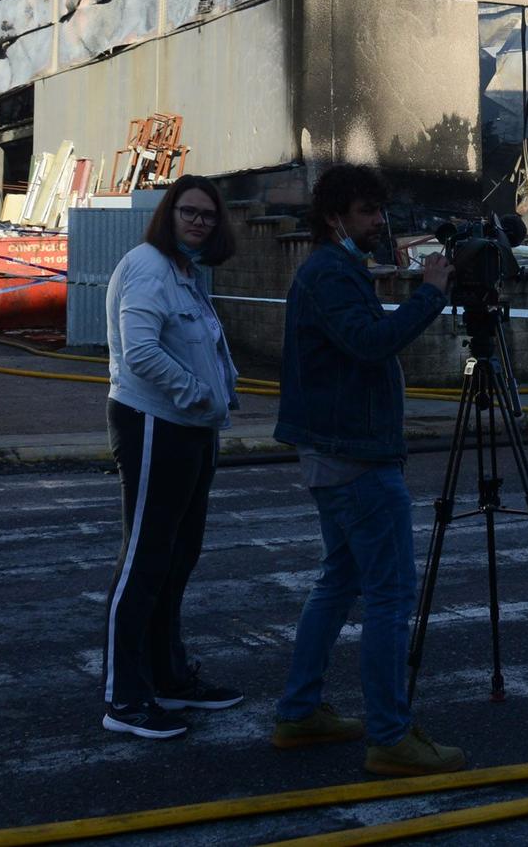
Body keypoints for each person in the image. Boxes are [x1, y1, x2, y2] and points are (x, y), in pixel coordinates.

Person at [271, 164, 466, 777]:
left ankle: (300, 711)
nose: (379, 222)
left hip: (340, 450)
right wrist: (431, 292)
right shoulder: (328, 272)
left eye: (379, 211)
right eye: (367, 212)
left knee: (340, 580)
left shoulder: (338, 270)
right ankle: (390, 736)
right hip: (355, 457)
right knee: (390, 594)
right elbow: (371, 343)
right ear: (335, 218)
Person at [100, 175, 244, 740]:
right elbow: (139, 352)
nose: (199, 222)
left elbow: (202, 343)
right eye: (190, 212)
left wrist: (221, 388)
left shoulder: (186, 274)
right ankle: (124, 697)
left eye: (208, 215)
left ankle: (168, 677)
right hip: (155, 424)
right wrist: (197, 392)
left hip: (193, 429)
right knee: (144, 560)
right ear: (169, 213)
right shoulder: (148, 267)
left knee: (177, 558)